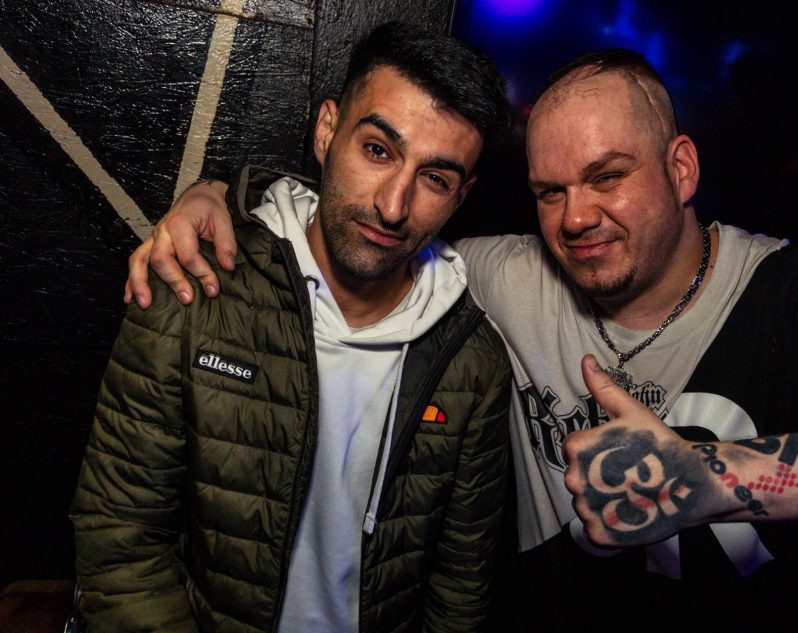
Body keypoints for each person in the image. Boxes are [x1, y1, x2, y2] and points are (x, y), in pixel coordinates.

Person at [123, 48, 798, 628]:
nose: (576, 217)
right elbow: (369, 221)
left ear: (682, 169)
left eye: (606, 176)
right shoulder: (506, 275)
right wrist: (218, 198)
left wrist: (712, 478)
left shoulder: (794, 294)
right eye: (549, 191)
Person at [70, 22, 513, 633]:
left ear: (461, 195)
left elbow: (459, 589)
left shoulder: (472, 364)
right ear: (327, 130)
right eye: (377, 150)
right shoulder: (193, 289)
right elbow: (121, 541)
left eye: (435, 179)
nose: (393, 205)